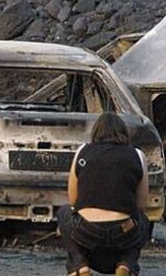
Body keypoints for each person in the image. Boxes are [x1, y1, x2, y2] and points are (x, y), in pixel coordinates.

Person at [57, 112, 151, 276]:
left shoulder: (82, 152)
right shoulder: (137, 155)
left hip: (86, 229)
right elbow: (141, 204)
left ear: (95, 132)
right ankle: (127, 264)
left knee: (64, 212)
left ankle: (79, 267)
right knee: (143, 220)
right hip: (123, 232)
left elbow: (73, 199)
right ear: (123, 133)